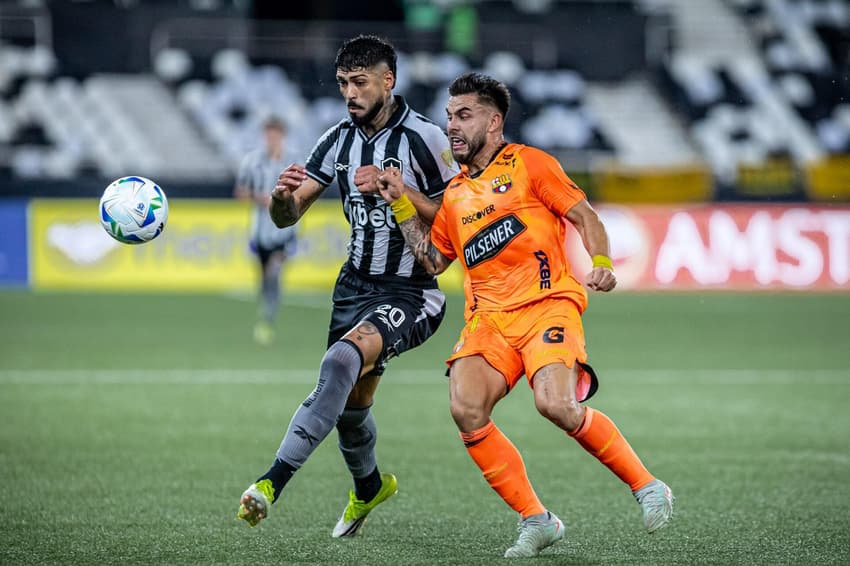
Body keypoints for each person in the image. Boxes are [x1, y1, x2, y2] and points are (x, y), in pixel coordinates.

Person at [375, 72, 674, 558]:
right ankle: (537, 520)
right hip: (488, 320)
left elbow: (585, 217)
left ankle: (648, 486)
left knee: (555, 404)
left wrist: (600, 262)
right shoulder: (454, 195)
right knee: (466, 408)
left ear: (494, 123)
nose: (452, 125)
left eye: (464, 115)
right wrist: (403, 205)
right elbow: (432, 262)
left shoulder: (532, 164)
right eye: (450, 115)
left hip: (546, 304)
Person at [236, 35, 459, 536]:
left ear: (388, 81)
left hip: (411, 291)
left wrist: (398, 189)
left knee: (339, 362)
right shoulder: (336, 138)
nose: (350, 94)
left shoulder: (426, 140)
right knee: (350, 408)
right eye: (343, 84)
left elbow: (459, 215)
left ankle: (270, 483)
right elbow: (287, 217)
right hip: (354, 288)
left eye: (360, 83)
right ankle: (368, 489)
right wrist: (279, 199)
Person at [233, 116, 298, 346]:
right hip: (260, 232)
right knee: (263, 277)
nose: (272, 139)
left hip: (285, 232)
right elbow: (241, 193)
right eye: (269, 135)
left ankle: (267, 321)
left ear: (282, 136)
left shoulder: (293, 162)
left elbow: (307, 191)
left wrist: (286, 202)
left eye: (276, 135)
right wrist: (261, 199)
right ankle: (266, 310)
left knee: (274, 273)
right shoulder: (252, 162)